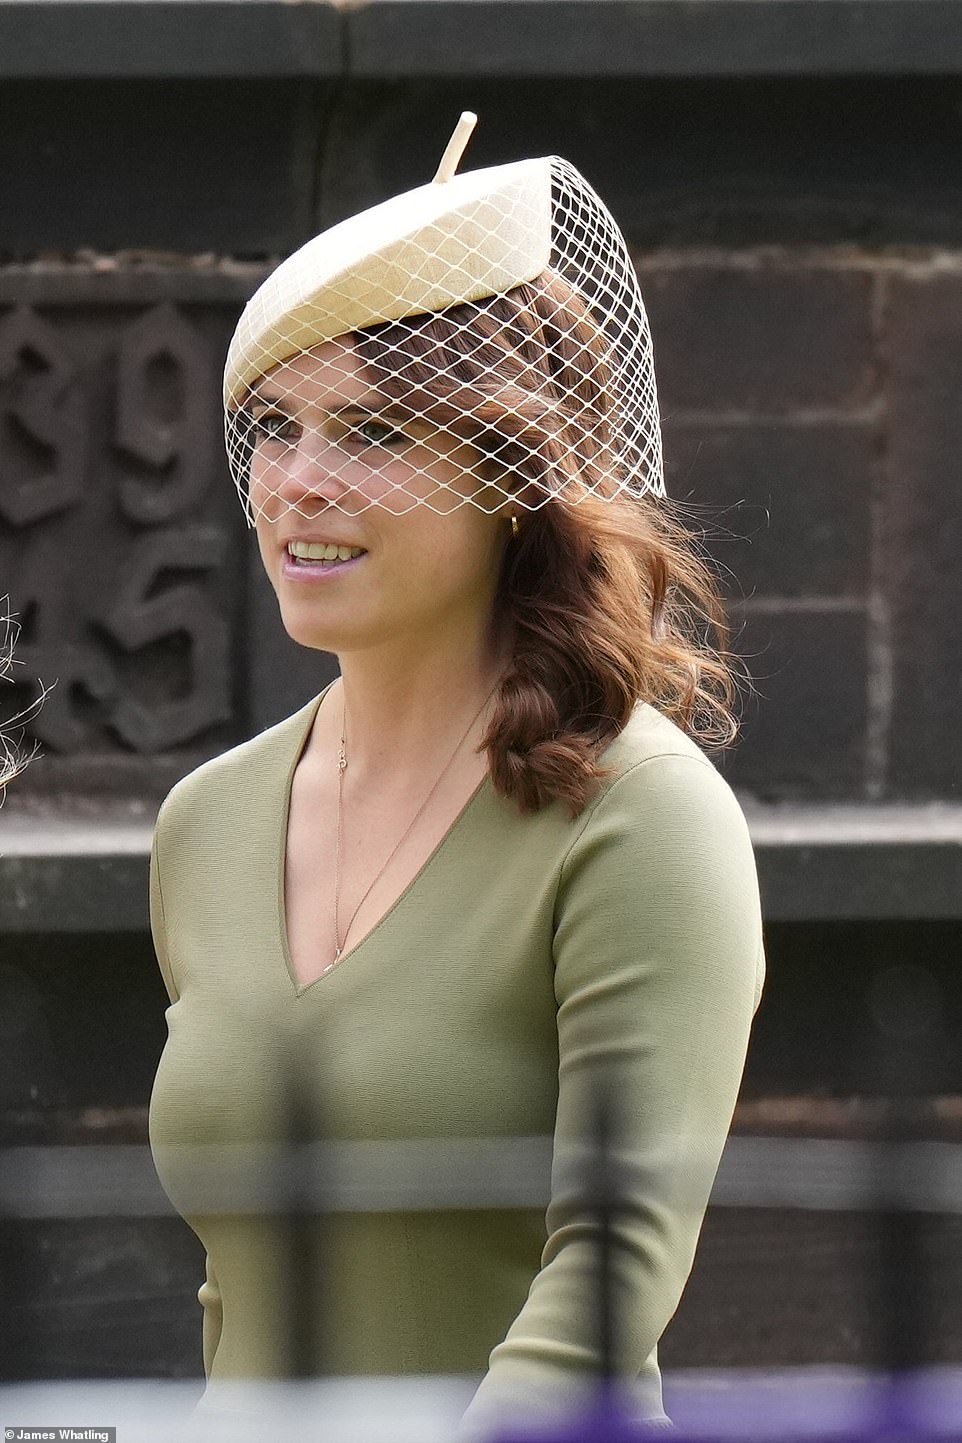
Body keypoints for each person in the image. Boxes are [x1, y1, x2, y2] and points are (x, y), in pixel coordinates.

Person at [147, 113, 765, 1437]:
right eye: (275, 428)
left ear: (511, 480)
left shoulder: (640, 816)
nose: (297, 484)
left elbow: (605, 1283)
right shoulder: (206, 825)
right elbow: (234, 1299)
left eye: (369, 433)